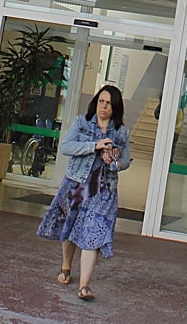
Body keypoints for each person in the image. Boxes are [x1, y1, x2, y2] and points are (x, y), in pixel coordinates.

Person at [36, 85, 130, 301]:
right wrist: (94, 146)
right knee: (70, 225)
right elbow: (66, 147)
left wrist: (114, 161)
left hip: (104, 190)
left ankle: (84, 286)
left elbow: (125, 161)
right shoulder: (81, 122)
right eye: (101, 102)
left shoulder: (121, 132)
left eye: (108, 103)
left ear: (115, 107)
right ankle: (66, 266)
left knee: (93, 233)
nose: (103, 106)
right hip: (77, 184)